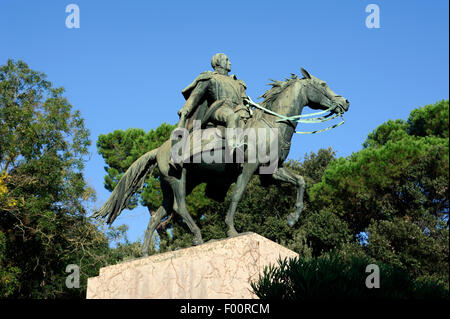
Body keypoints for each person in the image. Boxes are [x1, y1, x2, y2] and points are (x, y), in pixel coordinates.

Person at [176, 53, 252, 153]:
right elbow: (195, 97)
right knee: (232, 117)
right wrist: (186, 109)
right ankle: (233, 146)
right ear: (218, 63)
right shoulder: (210, 78)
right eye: (227, 60)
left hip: (238, 110)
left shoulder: (238, 83)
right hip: (219, 108)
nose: (230, 63)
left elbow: (245, 99)